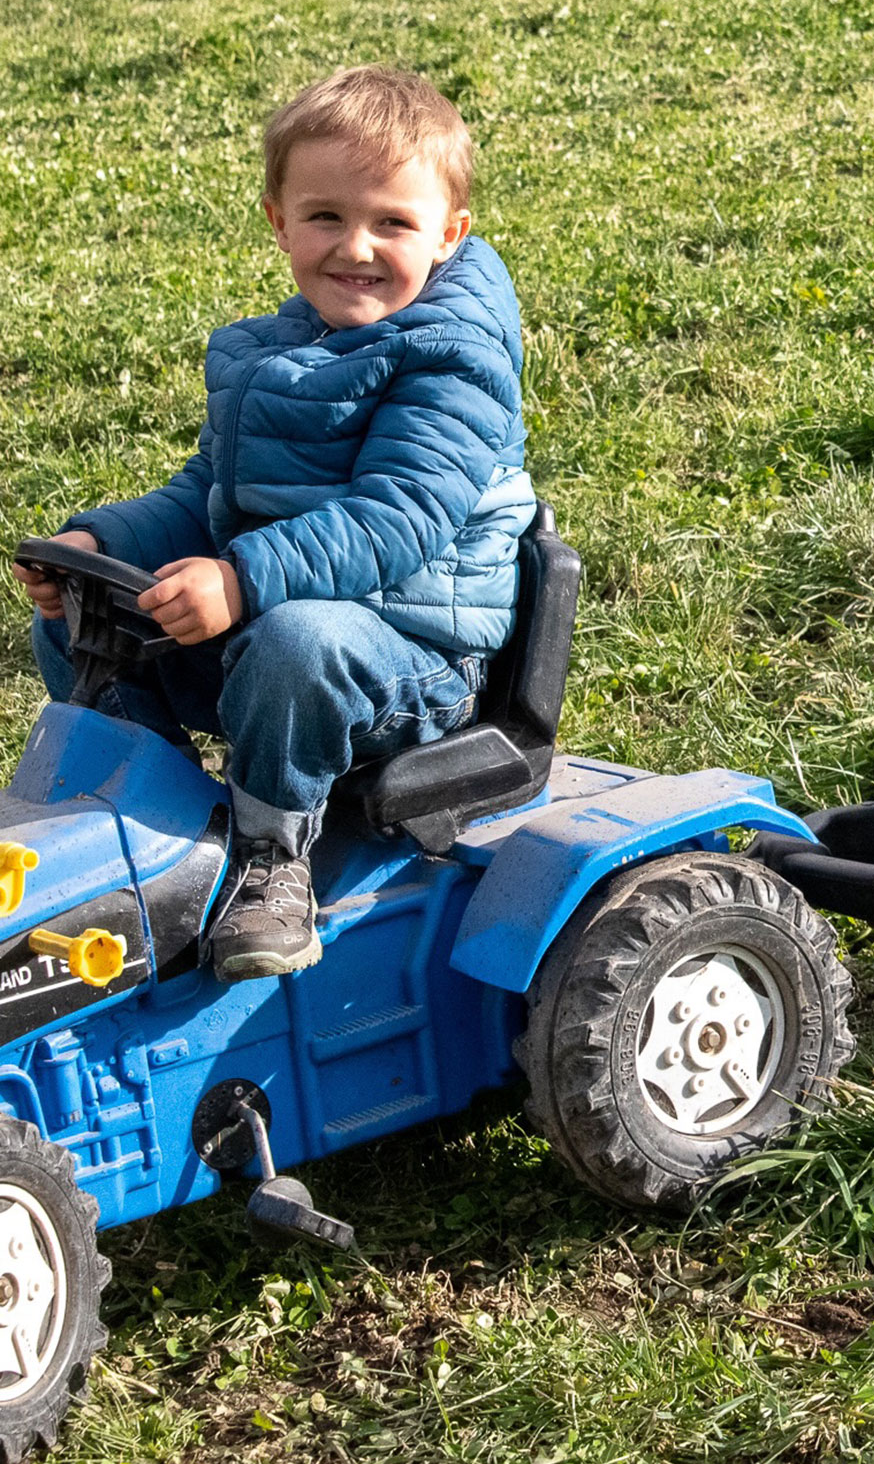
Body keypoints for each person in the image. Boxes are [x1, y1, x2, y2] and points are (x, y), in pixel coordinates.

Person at [13, 67, 535, 981]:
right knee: (79, 624)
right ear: (279, 222)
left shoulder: (452, 363)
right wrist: (103, 542)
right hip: (277, 629)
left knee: (299, 643)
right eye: (326, 216)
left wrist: (241, 578)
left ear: (449, 234)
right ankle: (161, 833)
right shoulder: (276, 352)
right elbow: (205, 494)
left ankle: (270, 855)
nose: (357, 247)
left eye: (392, 223)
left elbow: (397, 518)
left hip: (415, 660)